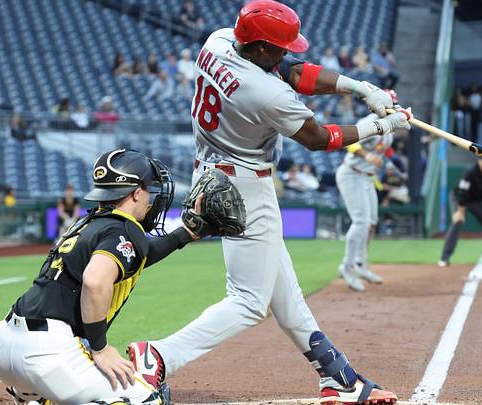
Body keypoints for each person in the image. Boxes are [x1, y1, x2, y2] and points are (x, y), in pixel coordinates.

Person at [125, 2, 409, 404]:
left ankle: (338, 376)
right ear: (258, 47)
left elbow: (293, 69)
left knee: (283, 290)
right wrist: (380, 125)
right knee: (248, 301)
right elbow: (318, 138)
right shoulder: (264, 92)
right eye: (278, 46)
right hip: (243, 188)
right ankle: (159, 355)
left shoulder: (220, 40)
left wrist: (362, 88)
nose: (285, 52)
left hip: (213, 171)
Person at [0, 149, 241, 404]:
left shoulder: (90, 223)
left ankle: (38, 397)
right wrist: (101, 348)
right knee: (150, 399)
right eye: (148, 190)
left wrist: (186, 233)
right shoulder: (123, 229)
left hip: (6, 346)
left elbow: (136, 256)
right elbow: (95, 280)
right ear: (136, 193)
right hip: (47, 354)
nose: (151, 199)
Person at [335, 89, 405, 291]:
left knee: (371, 223)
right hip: (352, 173)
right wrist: (366, 156)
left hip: (367, 178)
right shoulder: (368, 122)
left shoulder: (389, 125)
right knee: (361, 222)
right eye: (389, 104)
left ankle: (360, 264)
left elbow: (385, 146)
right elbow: (349, 143)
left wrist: (397, 162)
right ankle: (347, 266)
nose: (392, 108)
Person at [438, 159, 482, 268]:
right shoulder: (470, 172)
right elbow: (462, 193)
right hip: (459, 198)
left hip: (476, 201)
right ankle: (444, 258)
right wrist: (460, 212)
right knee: (458, 221)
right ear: (479, 161)